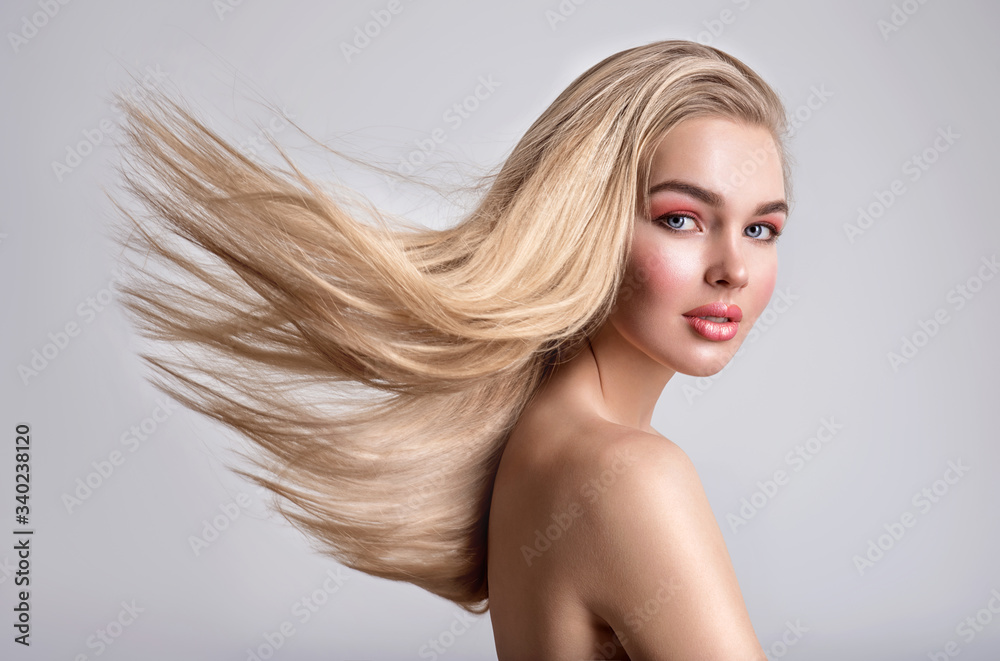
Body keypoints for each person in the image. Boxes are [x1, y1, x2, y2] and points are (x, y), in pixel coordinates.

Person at [108, 38, 789, 660]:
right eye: (682, 219)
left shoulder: (547, 440)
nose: (732, 266)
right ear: (590, 222)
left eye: (762, 229)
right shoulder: (631, 474)